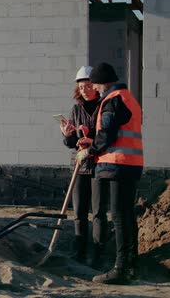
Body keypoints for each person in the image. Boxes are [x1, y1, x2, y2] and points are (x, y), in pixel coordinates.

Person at [76, 62, 143, 285]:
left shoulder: (112, 100)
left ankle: (121, 269)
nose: (94, 88)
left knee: (120, 216)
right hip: (131, 164)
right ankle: (131, 265)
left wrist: (89, 151)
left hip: (117, 165)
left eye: (94, 84)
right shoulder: (128, 97)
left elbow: (107, 135)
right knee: (127, 214)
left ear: (102, 82)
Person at [59, 65, 106, 266]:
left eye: (88, 86)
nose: (85, 90)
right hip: (80, 164)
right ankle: (79, 251)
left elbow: (106, 137)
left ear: (96, 86)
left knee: (98, 213)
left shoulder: (104, 106)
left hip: (99, 165)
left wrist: (90, 139)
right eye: (81, 86)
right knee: (79, 212)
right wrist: (67, 135)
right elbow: (71, 144)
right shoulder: (76, 109)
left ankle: (97, 255)